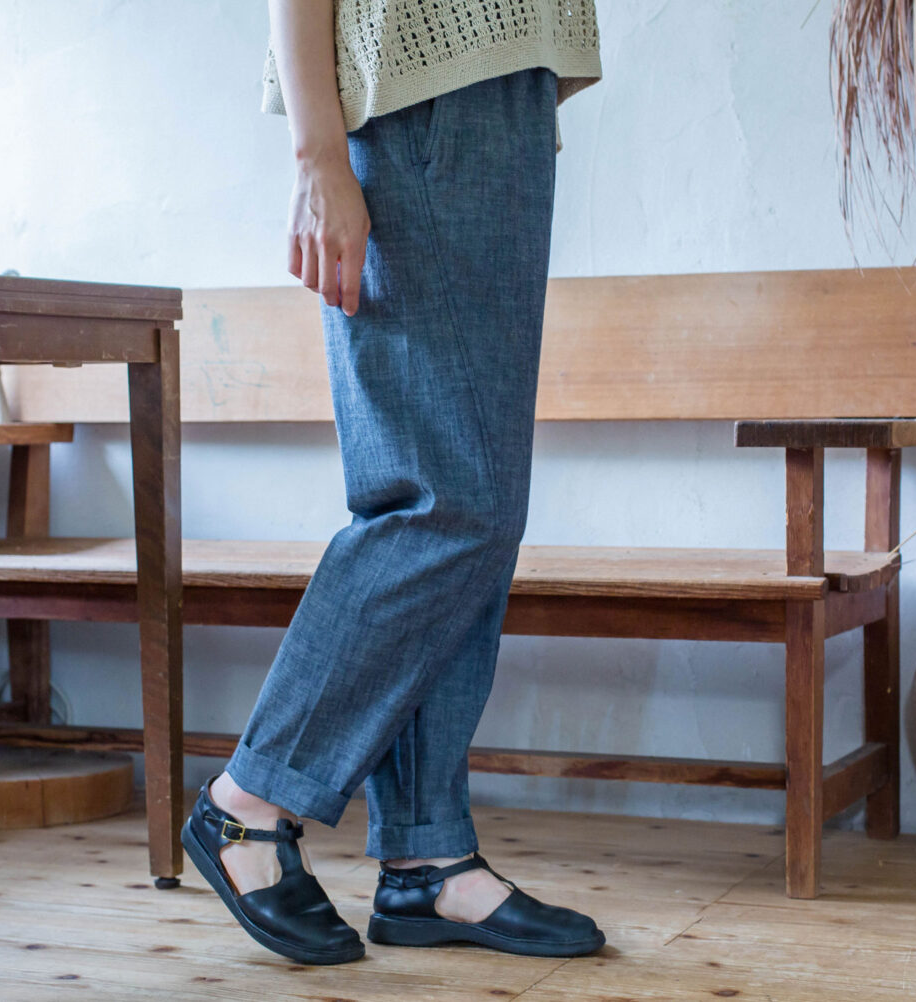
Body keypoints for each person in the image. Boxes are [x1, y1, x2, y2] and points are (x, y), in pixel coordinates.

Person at [181, 0, 605, 966]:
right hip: (418, 104)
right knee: (446, 502)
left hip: (503, 95)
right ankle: (251, 798)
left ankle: (427, 859)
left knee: (475, 505)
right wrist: (317, 155)